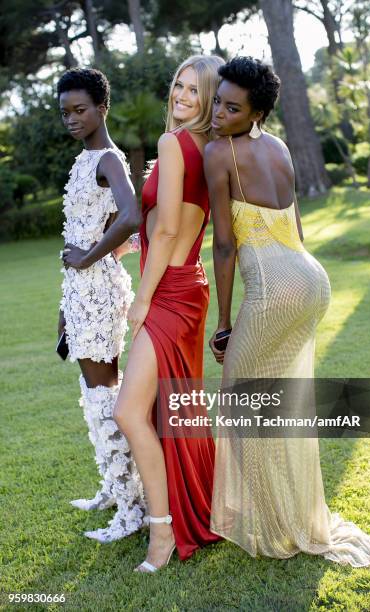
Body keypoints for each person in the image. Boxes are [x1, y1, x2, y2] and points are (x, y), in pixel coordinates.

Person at [205, 56, 370, 567]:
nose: (219, 113)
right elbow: (296, 228)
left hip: (277, 288)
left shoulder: (220, 154)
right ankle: (284, 509)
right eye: (218, 101)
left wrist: (224, 322)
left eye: (232, 108)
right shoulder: (279, 147)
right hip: (312, 279)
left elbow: (223, 245)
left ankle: (277, 520)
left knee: (239, 403)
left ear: (255, 113)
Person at [113, 55, 224, 573]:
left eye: (193, 91)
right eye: (178, 86)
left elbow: (168, 232)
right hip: (189, 283)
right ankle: (193, 510)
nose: (180, 96)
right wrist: (135, 245)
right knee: (176, 411)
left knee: (130, 412)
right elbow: (177, 222)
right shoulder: (209, 147)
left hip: (170, 292)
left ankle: (164, 534)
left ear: (209, 100)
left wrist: (142, 298)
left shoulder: (173, 144)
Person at [58, 68, 146, 542]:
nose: (72, 119)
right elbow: (91, 230)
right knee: (95, 394)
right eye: (66, 112)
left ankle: (132, 510)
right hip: (79, 292)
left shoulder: (108, 159)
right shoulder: (83, 160)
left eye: (80, 110)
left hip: (98, 290)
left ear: (101, 108)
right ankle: (114, 488)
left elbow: (131, 217)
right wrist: (64, 305)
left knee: (103, 395)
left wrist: (88, 258)